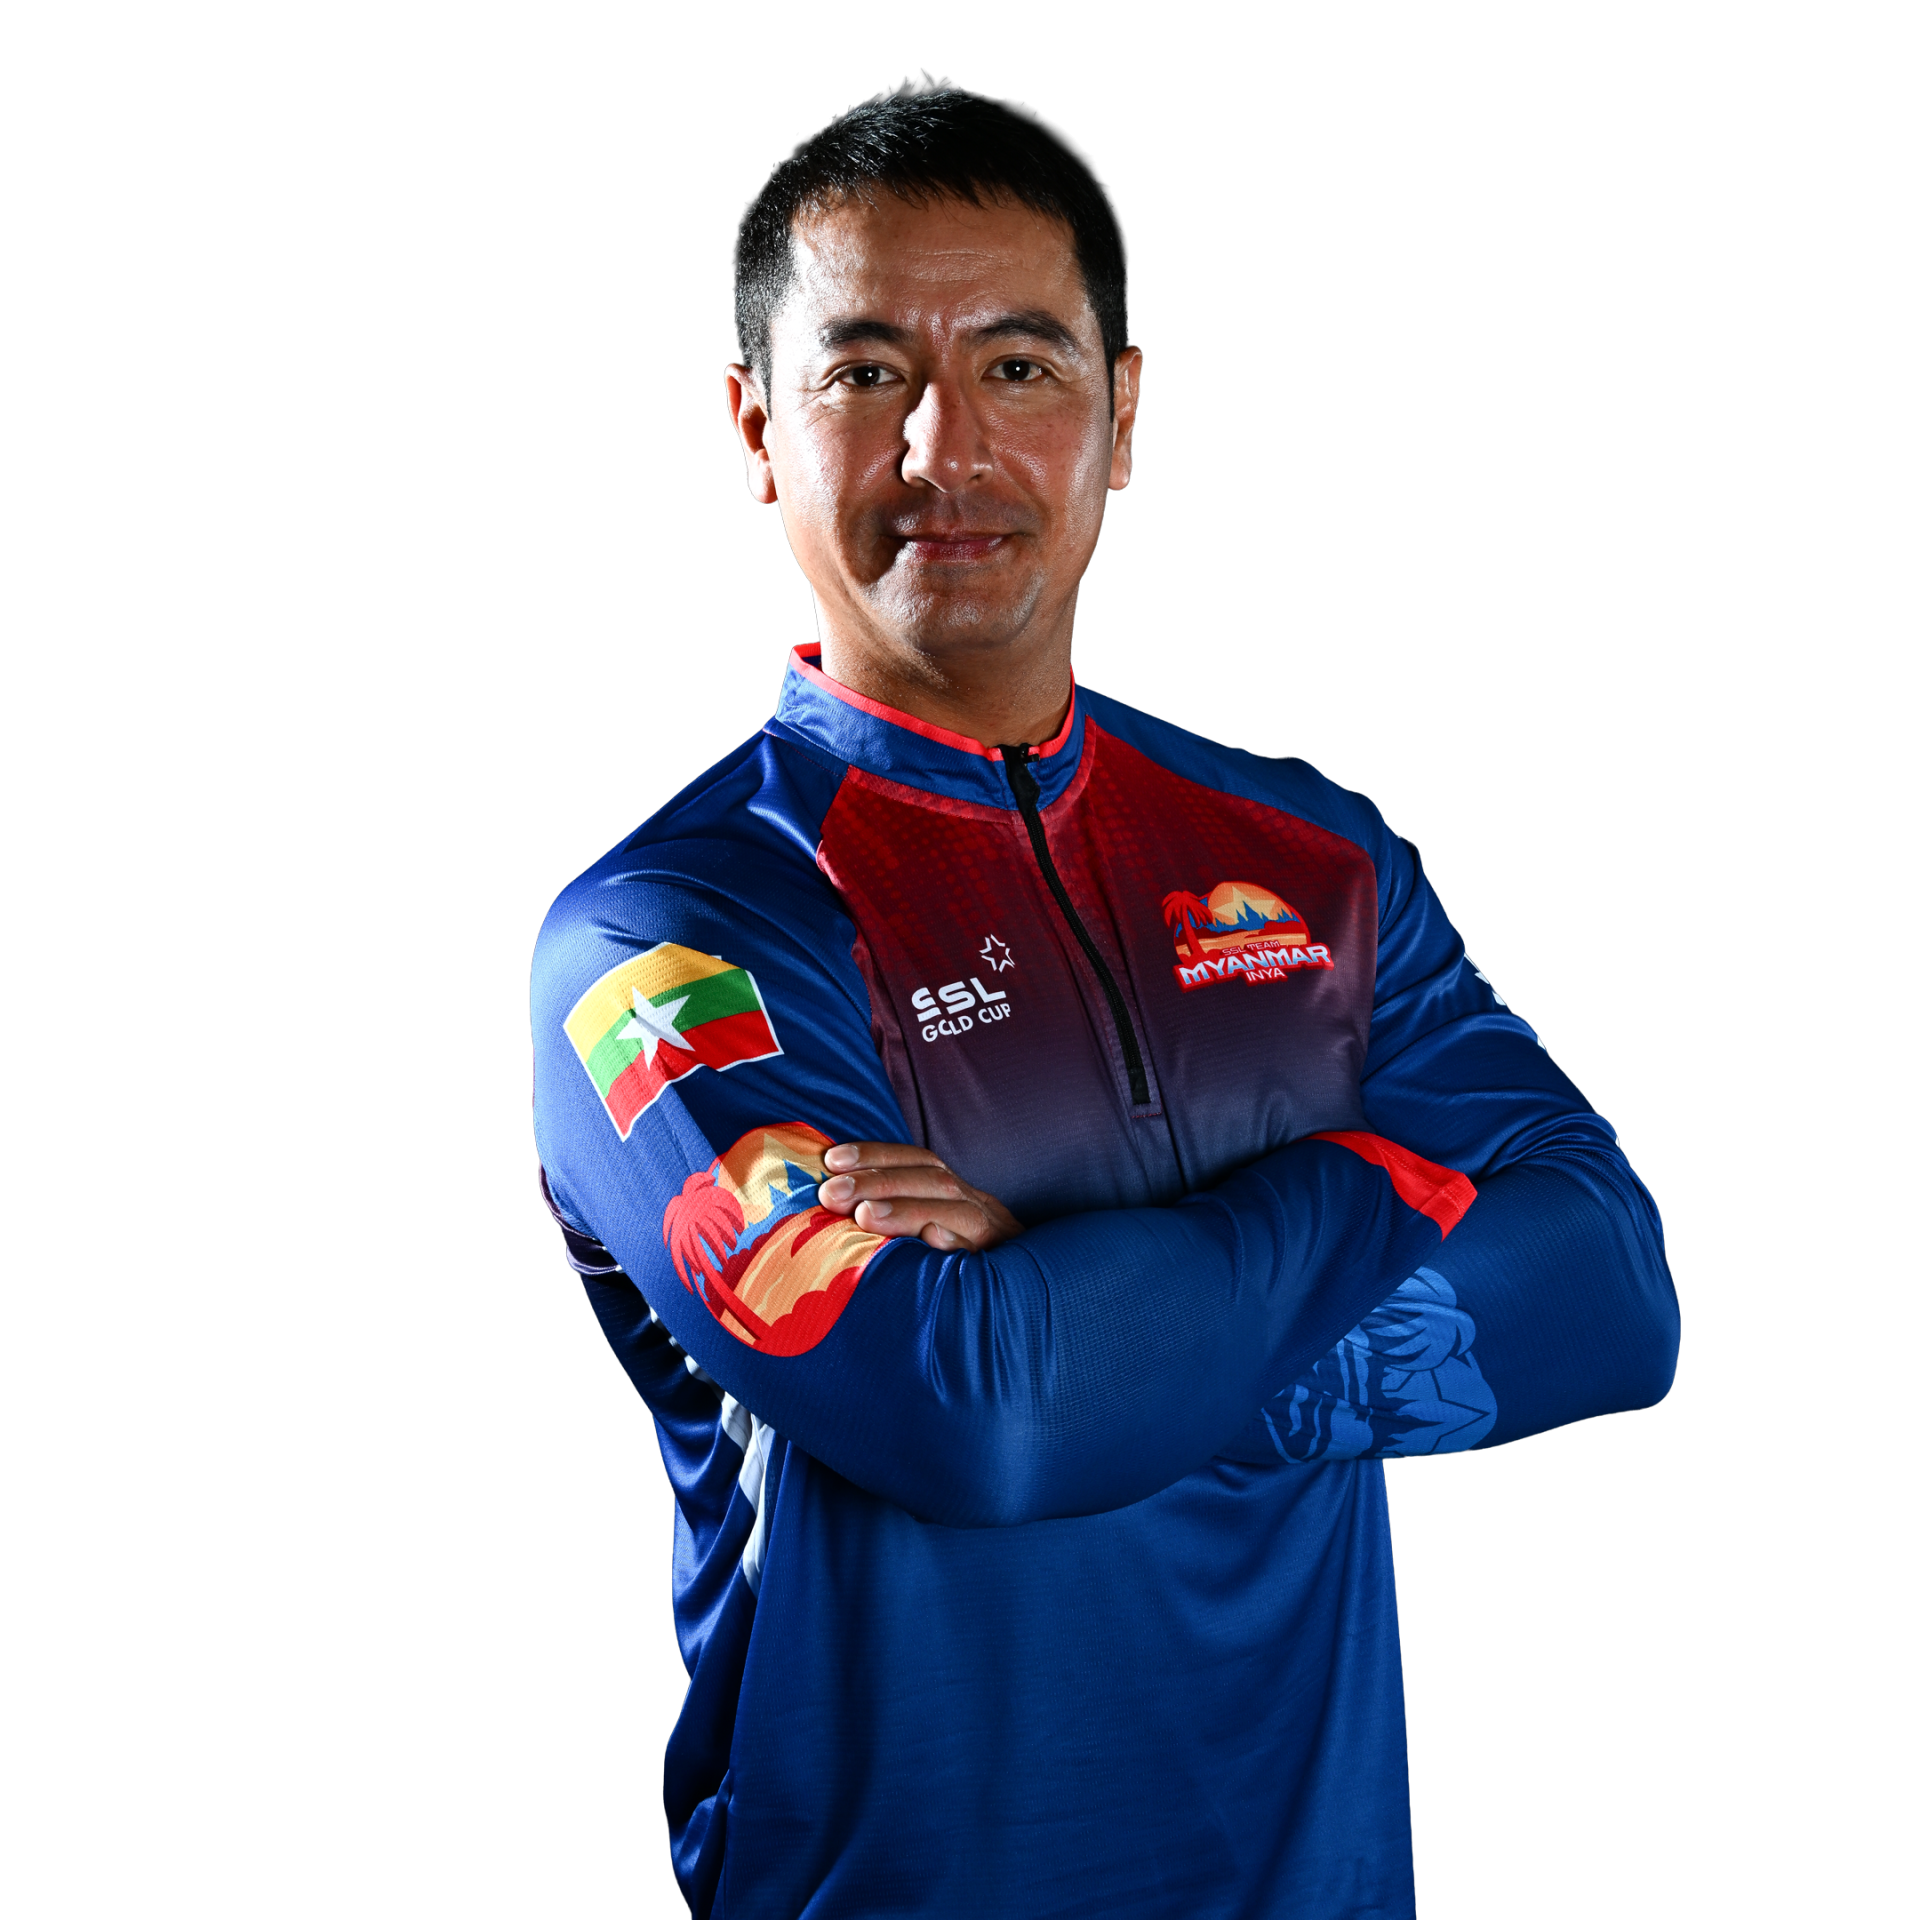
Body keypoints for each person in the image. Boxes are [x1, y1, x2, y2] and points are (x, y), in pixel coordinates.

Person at [530, 80, 1679, 1920]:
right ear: (754, 429)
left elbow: (1616, 1297)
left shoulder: (1314, 853)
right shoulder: (664, 945)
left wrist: (1078, 1303)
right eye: (867, 374)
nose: (946, 450)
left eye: (1019, 366)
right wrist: (1370, 1185)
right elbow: (979, 1414)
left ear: (1122, 416)